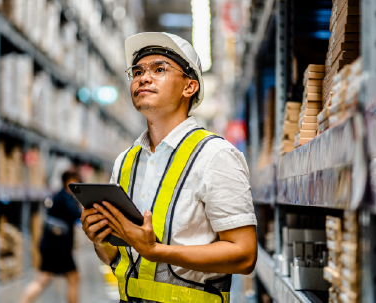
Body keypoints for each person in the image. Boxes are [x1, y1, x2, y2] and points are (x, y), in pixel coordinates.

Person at [81, 32, 258, 303]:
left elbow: (245, 255)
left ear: (189, 87)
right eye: (137, 71)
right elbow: (117, 259)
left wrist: (157, 251)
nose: (143, 77)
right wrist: (100, 239)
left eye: (159, 69)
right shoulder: (126, 161)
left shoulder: (215, 156)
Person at [20, 170, 82, 303]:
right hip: (58, 247)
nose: (78, 184)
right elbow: (76, 214)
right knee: (70, 278)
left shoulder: (60, 196)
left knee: (48, 277)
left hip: (53, 245)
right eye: (76, 180)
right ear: (69, 181)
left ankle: (24, 301)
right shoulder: (65, 198)